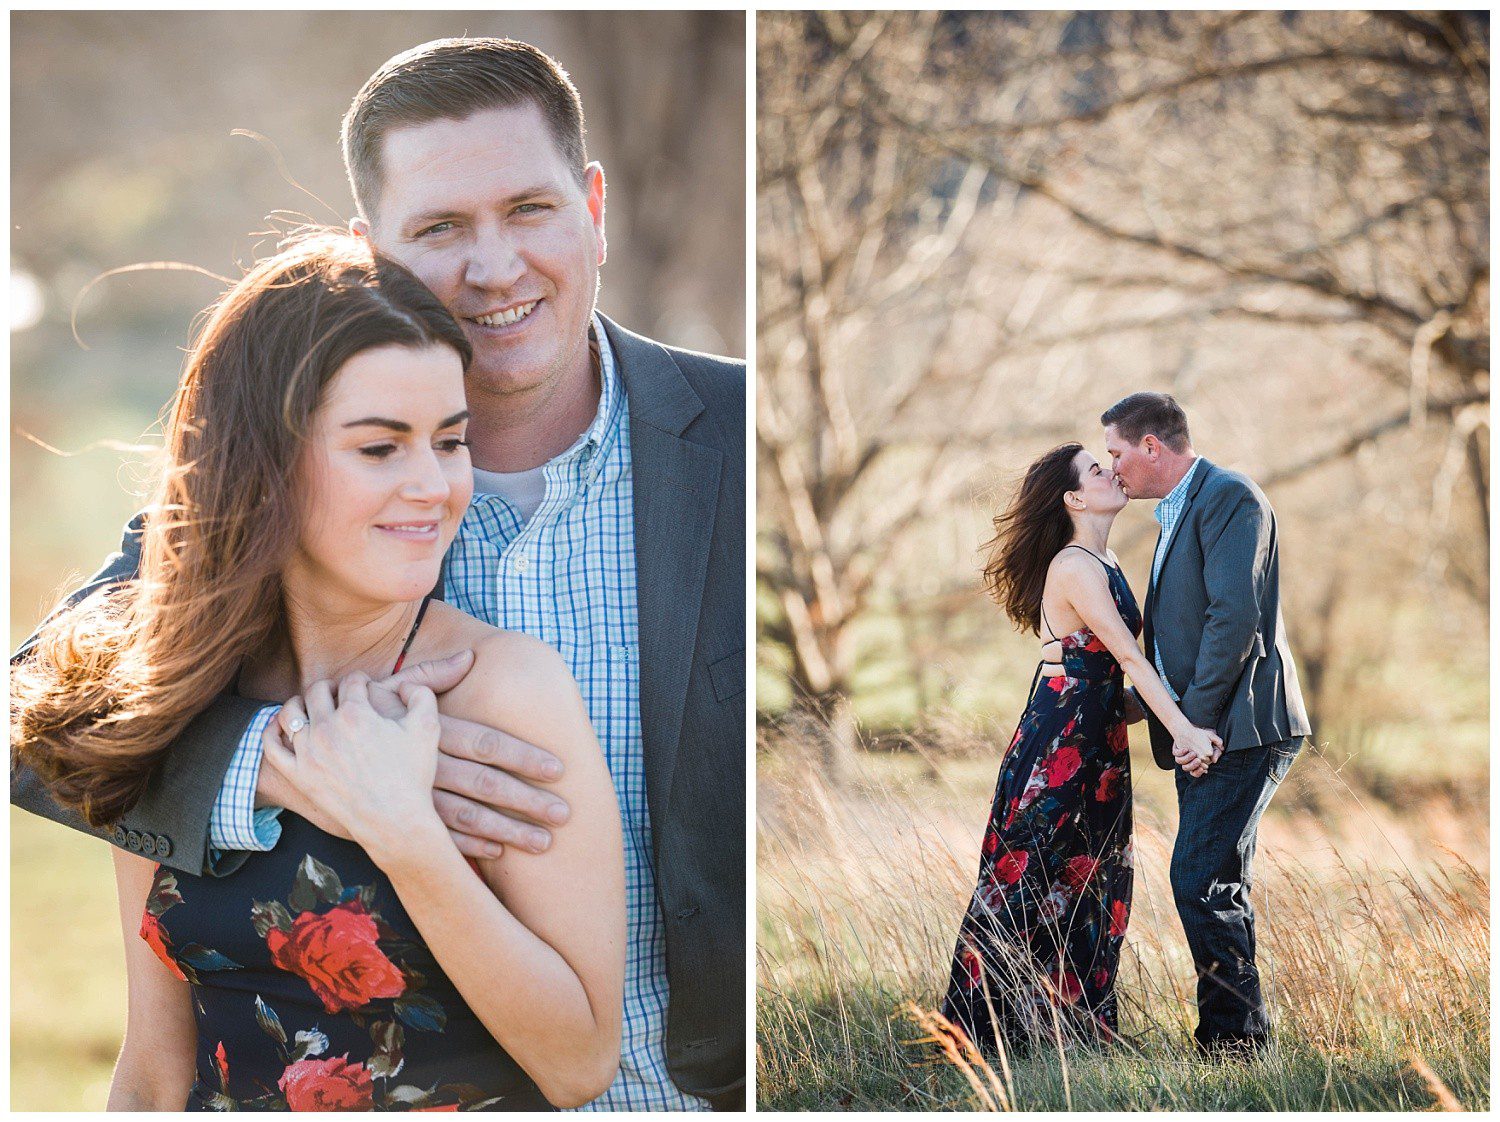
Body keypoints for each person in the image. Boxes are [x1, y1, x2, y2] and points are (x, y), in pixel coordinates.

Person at [13, 38, 744, 1110]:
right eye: (442, 227)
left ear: (593, 205)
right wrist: (296, 757)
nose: (494, 266)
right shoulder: (269, 510)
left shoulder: (738, 437)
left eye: (529, 209)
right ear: (373, 249)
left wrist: (396, 815)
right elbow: (49, 714)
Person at [13, 233, 626, 1110]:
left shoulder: (499, 691)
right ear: (264, 463)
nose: (433, 485)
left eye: (448, 442)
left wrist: (405, 834)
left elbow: (580, 1064)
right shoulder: (175, 690)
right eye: (381, 449)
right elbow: (153, 1063)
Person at [940, 442, 1222, 1052]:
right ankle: (977, 1039)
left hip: (1098, 738)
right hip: (1058, 741)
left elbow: (1108, 679)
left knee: (1090, 880)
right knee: (1027, 878)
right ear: (1073, 498)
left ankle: (1070, 1033)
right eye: (1099, 469)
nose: (1113, 471)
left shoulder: (1108, 559)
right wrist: (1185, 732)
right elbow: (1127, 658)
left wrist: (1154, 711)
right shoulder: (1073, 566)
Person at [1102, 391, 1310, 1056]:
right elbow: (1183, 638)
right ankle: (1245, 1043)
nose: (1113, 468)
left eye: (1117, 453)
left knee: (1198, 878)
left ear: (1152, 447)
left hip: (1244, 725)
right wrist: (1144, 709)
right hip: (1212, 726)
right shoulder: (1177, 513)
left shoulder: (1228, 496)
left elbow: (1235, 618)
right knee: (1218, 879)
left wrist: (1190, 725)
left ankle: (1233, 1044)